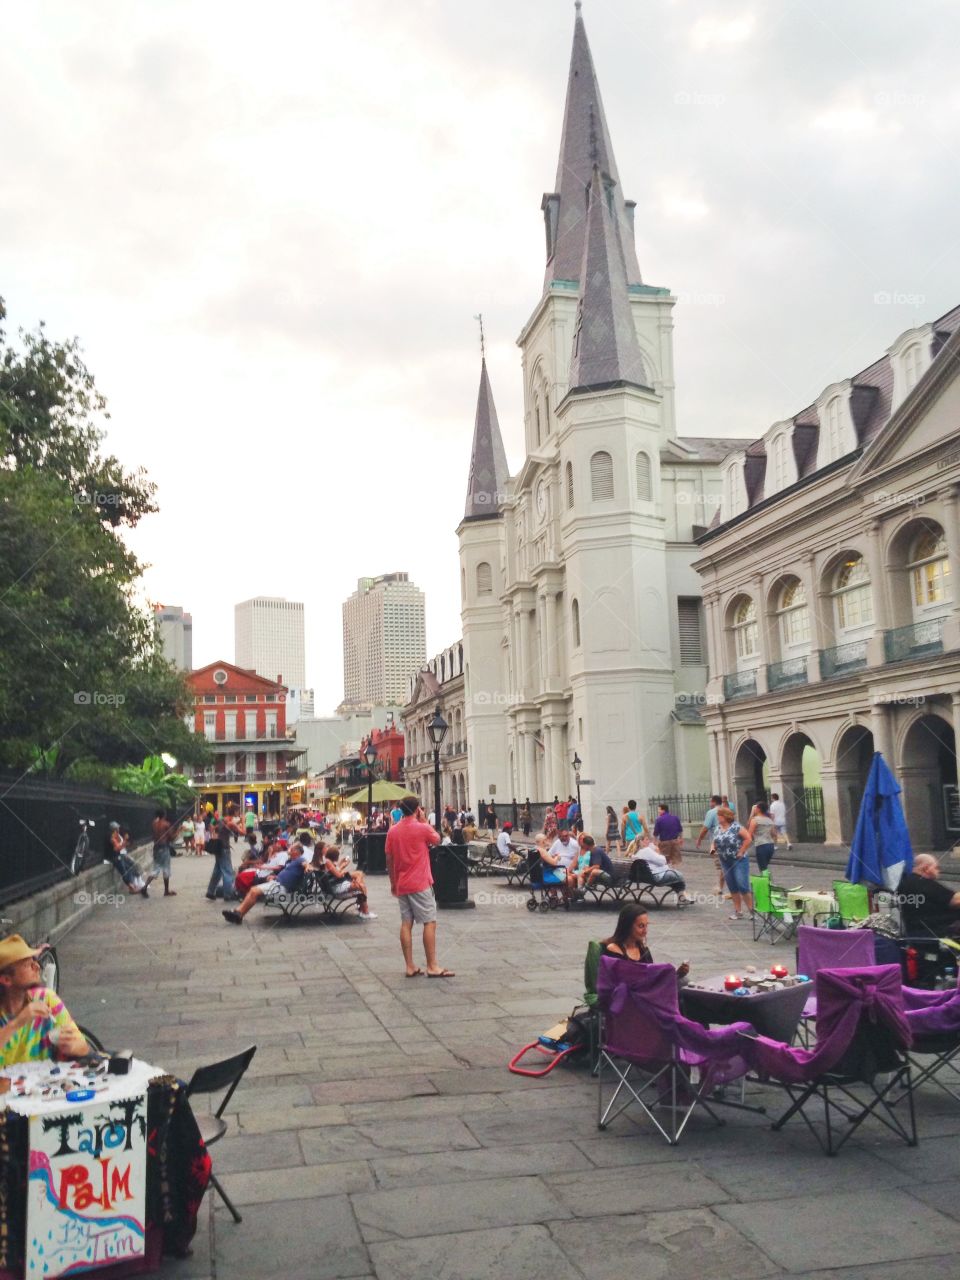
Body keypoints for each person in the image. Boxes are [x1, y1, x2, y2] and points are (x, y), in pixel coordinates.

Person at [385, 796, 453, 977]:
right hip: (420, 882)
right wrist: (423, 820)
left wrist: (393, 882)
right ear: (417, 810)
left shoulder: (392, 831)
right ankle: (432, 965)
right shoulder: (422, 828)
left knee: (406, 923)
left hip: (402, 883)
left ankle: (410, 966)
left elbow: (389, 859)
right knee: (429, 921)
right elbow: (438, 839)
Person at [0, 934, 89, 1066]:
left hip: (41, 1083)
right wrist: (18, 1022)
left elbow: (84, 1048)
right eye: (27, 965)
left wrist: (73, 1047)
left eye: (34, 961)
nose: (37, 967)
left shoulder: (45, 998)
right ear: (6, 980)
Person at [222, 839, 312, 924]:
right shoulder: (290, 861)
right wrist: (275, 876)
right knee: (253, 890)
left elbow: (305, 864)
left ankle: (238, 913)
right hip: (277, 883)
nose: (290, 849)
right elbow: (287, 874)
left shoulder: (300, 859)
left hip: (281, 887)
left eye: (292, 848)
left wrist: (308, 867)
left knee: (254, 891)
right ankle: (239, 913)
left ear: (297, 851)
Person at [599, 906, 690, 981]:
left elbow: (651, 979)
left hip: (644, 994)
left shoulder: (643, 949)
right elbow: (623, 982)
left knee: (684, 983)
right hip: (625, 997)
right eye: (641, 926)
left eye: (646, 926)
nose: (645, 931)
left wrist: (677, 974)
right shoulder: (614, 949)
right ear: (627, 925)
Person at [897, 854, 960, 938]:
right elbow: (955, 900)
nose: (939, 871)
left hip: (915, 931)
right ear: (926, 868)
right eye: (936, 868)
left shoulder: (906, 882)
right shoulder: (923, 883)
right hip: (937, 932)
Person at [711, 806, 753, 920]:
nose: (718, 817)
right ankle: (738, 911)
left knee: (742, 885)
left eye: (719, 815)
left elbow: (748, 839)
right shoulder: (718, 828)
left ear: (725, 816)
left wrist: (741, 851)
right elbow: (714, 841)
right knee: (732, 886)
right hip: (725, 860)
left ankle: (752, 911)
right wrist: (712, 849)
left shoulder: (736, 827)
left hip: (738, 860)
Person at [320, 846, 376, 918]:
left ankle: (362, 909)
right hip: (337, 887)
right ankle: (365, 911)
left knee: (360, 879)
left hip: (334, 885)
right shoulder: (328, 862)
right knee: (362, 886)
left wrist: (342, 864)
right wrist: (344, 869)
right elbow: (338, 875)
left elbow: (334, 871)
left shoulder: (327, 861)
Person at [206, 804, 242, 901]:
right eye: (237, 811)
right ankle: (228, 894)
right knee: (228, 872)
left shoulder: (222, 820)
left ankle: (210, 891)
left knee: (217, 871)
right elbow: (243, 833)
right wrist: (243, 821)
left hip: (218, 847)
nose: (238, 813)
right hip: (224, 848)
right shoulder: (230, 822)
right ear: (234, 812)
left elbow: (215, 829)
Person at [106, 822, 149, 897]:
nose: (119, 829)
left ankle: (135, 884)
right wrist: (125, 841)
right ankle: (131, 888)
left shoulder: (115, 836)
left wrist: (125, 843)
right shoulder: (112, 837)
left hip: (119, 855)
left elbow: (120, 847)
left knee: (130, 867)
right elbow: (117, 848)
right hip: (115, 857)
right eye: (118, 828)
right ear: (115, 829)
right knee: (124, 871)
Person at [696, 795, 725, 896]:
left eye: (710, 802)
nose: (709, 804)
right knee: (724, 864)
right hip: (729, 843)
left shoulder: (711, 812)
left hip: (715, 845)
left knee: (719, 865)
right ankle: (721, 886)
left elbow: (705, 828)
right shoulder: (727, 810)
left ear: (713, 802)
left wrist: (699, 839)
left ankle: (720, 887)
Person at [149, 809, 177, 897]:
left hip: (156, 847)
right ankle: (166, 891)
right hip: (164, 848)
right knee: (166, 869)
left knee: (156, 868)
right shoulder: (166, 824)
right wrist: (179, 830)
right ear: (164, 815)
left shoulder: (154, 823)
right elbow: (172, 838)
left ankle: (145, 887)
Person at [544, 828, 579, 895]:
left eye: (565, 836)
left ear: (569, 835)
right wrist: (554, 857)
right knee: (567, 879)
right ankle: (557, 896)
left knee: (569, 879)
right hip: (558, 870)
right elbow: (548, 856)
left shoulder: (575, 844)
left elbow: (580, 859)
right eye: (560, 836)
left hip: (570, 870)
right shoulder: (557, 842)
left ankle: (568, 895)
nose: (563, 838)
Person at [747, 801, 777, 873]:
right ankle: (768, 881)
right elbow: (774, 834)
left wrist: (751, 813)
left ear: (758, 809)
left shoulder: (755, 820)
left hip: (761, 845)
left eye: (756, 808)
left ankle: (766, 883)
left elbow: (749, 834)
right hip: (770, 845)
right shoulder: (769, 820)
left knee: (763, 868)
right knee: (765, 866)